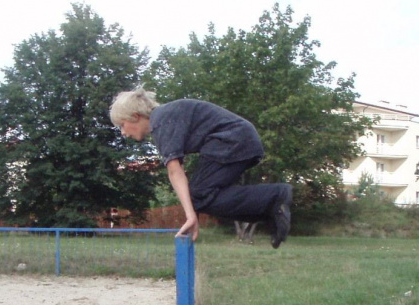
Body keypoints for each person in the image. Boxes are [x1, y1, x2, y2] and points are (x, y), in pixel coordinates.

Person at [110, 87, 292, 248]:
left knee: (198, 194)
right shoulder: (166, 118)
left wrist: (191, 216)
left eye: (122, 126)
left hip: (233, 142)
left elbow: (175, 171)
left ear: (135, 116)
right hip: (240, 141)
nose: (123, 133)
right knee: (201, 195)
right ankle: (270, 212)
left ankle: (275, 197)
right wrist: (192, 212)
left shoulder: (161, 121)